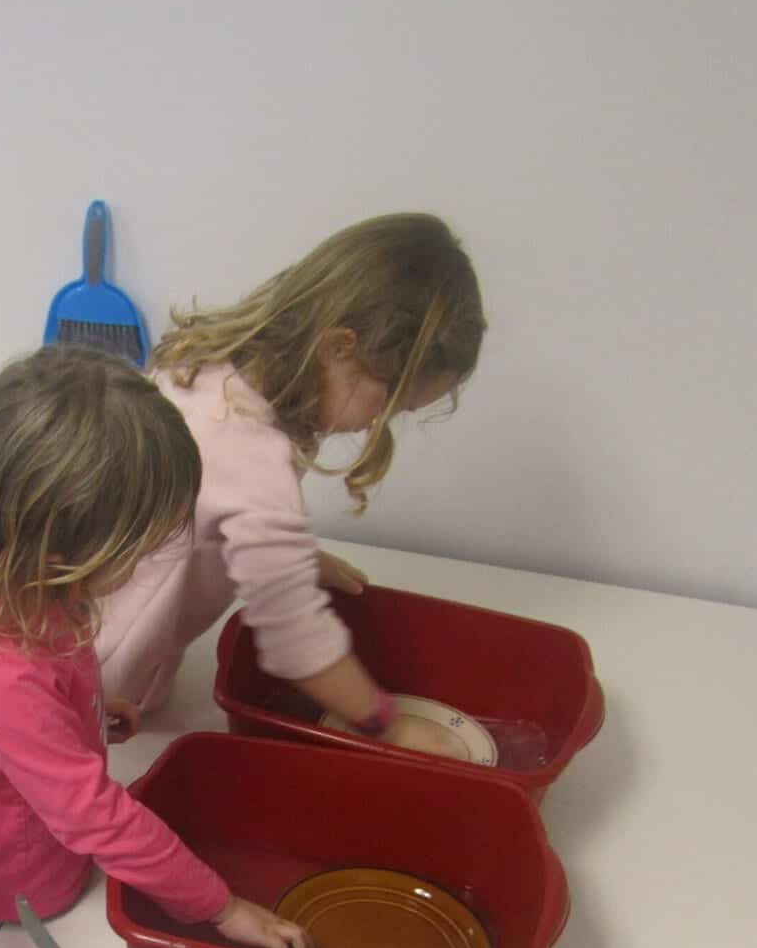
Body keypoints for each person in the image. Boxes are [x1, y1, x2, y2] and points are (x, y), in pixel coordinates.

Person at [0, 346, 311, 948]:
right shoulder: (0, 673)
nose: (148, 562)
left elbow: (32, 689)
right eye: (138, 549)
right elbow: (92, 814)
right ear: (60, 548)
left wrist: (84, 709)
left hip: (4, 833)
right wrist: (220, 906)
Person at [96, 213, 486, 754]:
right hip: (105, 682)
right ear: (340, 348)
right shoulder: (252, 460)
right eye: (385, 406)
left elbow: (204, 512)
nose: (376, 426)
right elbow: (297, 641)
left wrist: (290, 556)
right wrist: (390, 725)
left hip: (71, 620)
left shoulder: (210, 368)